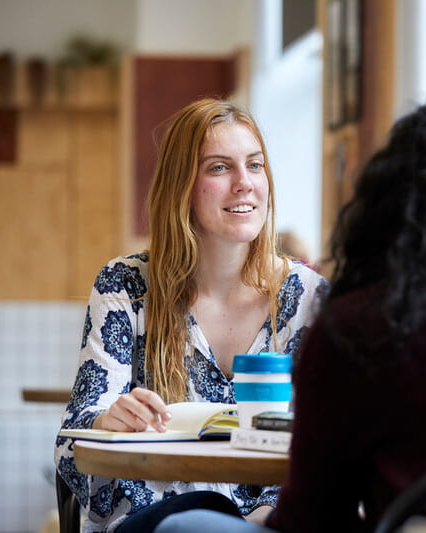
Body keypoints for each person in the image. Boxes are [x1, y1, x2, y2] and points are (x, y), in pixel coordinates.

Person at [152, 95, 426, 533]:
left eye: (254, 164)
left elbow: (315, 514)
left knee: (183, 523)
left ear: (388, 192)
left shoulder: (356, 327)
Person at [54, 98, 329, 533]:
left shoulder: (310, 300)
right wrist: (108, 420)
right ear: (181, 184)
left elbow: (331, 441)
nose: (244, 184)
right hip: (157, 520)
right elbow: (72, 445)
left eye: (254, 166)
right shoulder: (125, 285)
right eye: (219, 168)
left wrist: (261, 518)